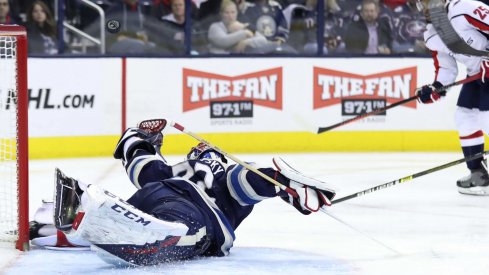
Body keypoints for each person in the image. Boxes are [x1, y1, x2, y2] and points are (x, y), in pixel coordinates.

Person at [31, 119, 335, 266]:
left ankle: (60, 225)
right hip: (195, 216)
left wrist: (137, 140)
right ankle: (140, 235)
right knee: (183, 231)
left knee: (140, 212)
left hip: (153, 199)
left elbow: (143, 166)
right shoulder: (225, 180)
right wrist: (286, 185)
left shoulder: (179, 172)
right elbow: (251, 181)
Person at [415, 0, 489, 195]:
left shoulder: (464, 8)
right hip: (478, 73)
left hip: (486, 69)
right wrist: (436, 88)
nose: (423, 7)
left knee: (487, 118)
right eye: (420, 3)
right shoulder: (432, 33)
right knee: (465, 116)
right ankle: (478, 174)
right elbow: (446, 68)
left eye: (426, 2)